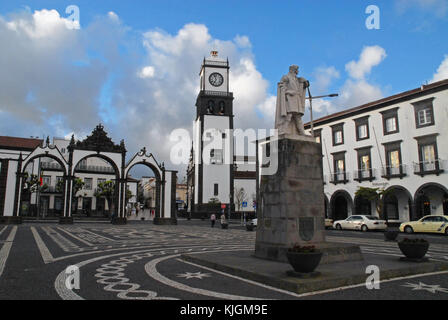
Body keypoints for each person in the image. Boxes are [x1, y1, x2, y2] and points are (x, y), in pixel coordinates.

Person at [275, 65, 310, 136]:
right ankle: (283, 130)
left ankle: (301, 132)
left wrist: (304, 81)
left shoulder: (297, 79)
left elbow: (305, 84)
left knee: (298, 117)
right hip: (290, 99)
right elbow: (282, 87)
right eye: (297, 70)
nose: (298, 71)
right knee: (289, 115)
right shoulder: (286, 77)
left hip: (296, 100)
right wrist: (289, 92)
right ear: (293, 70)